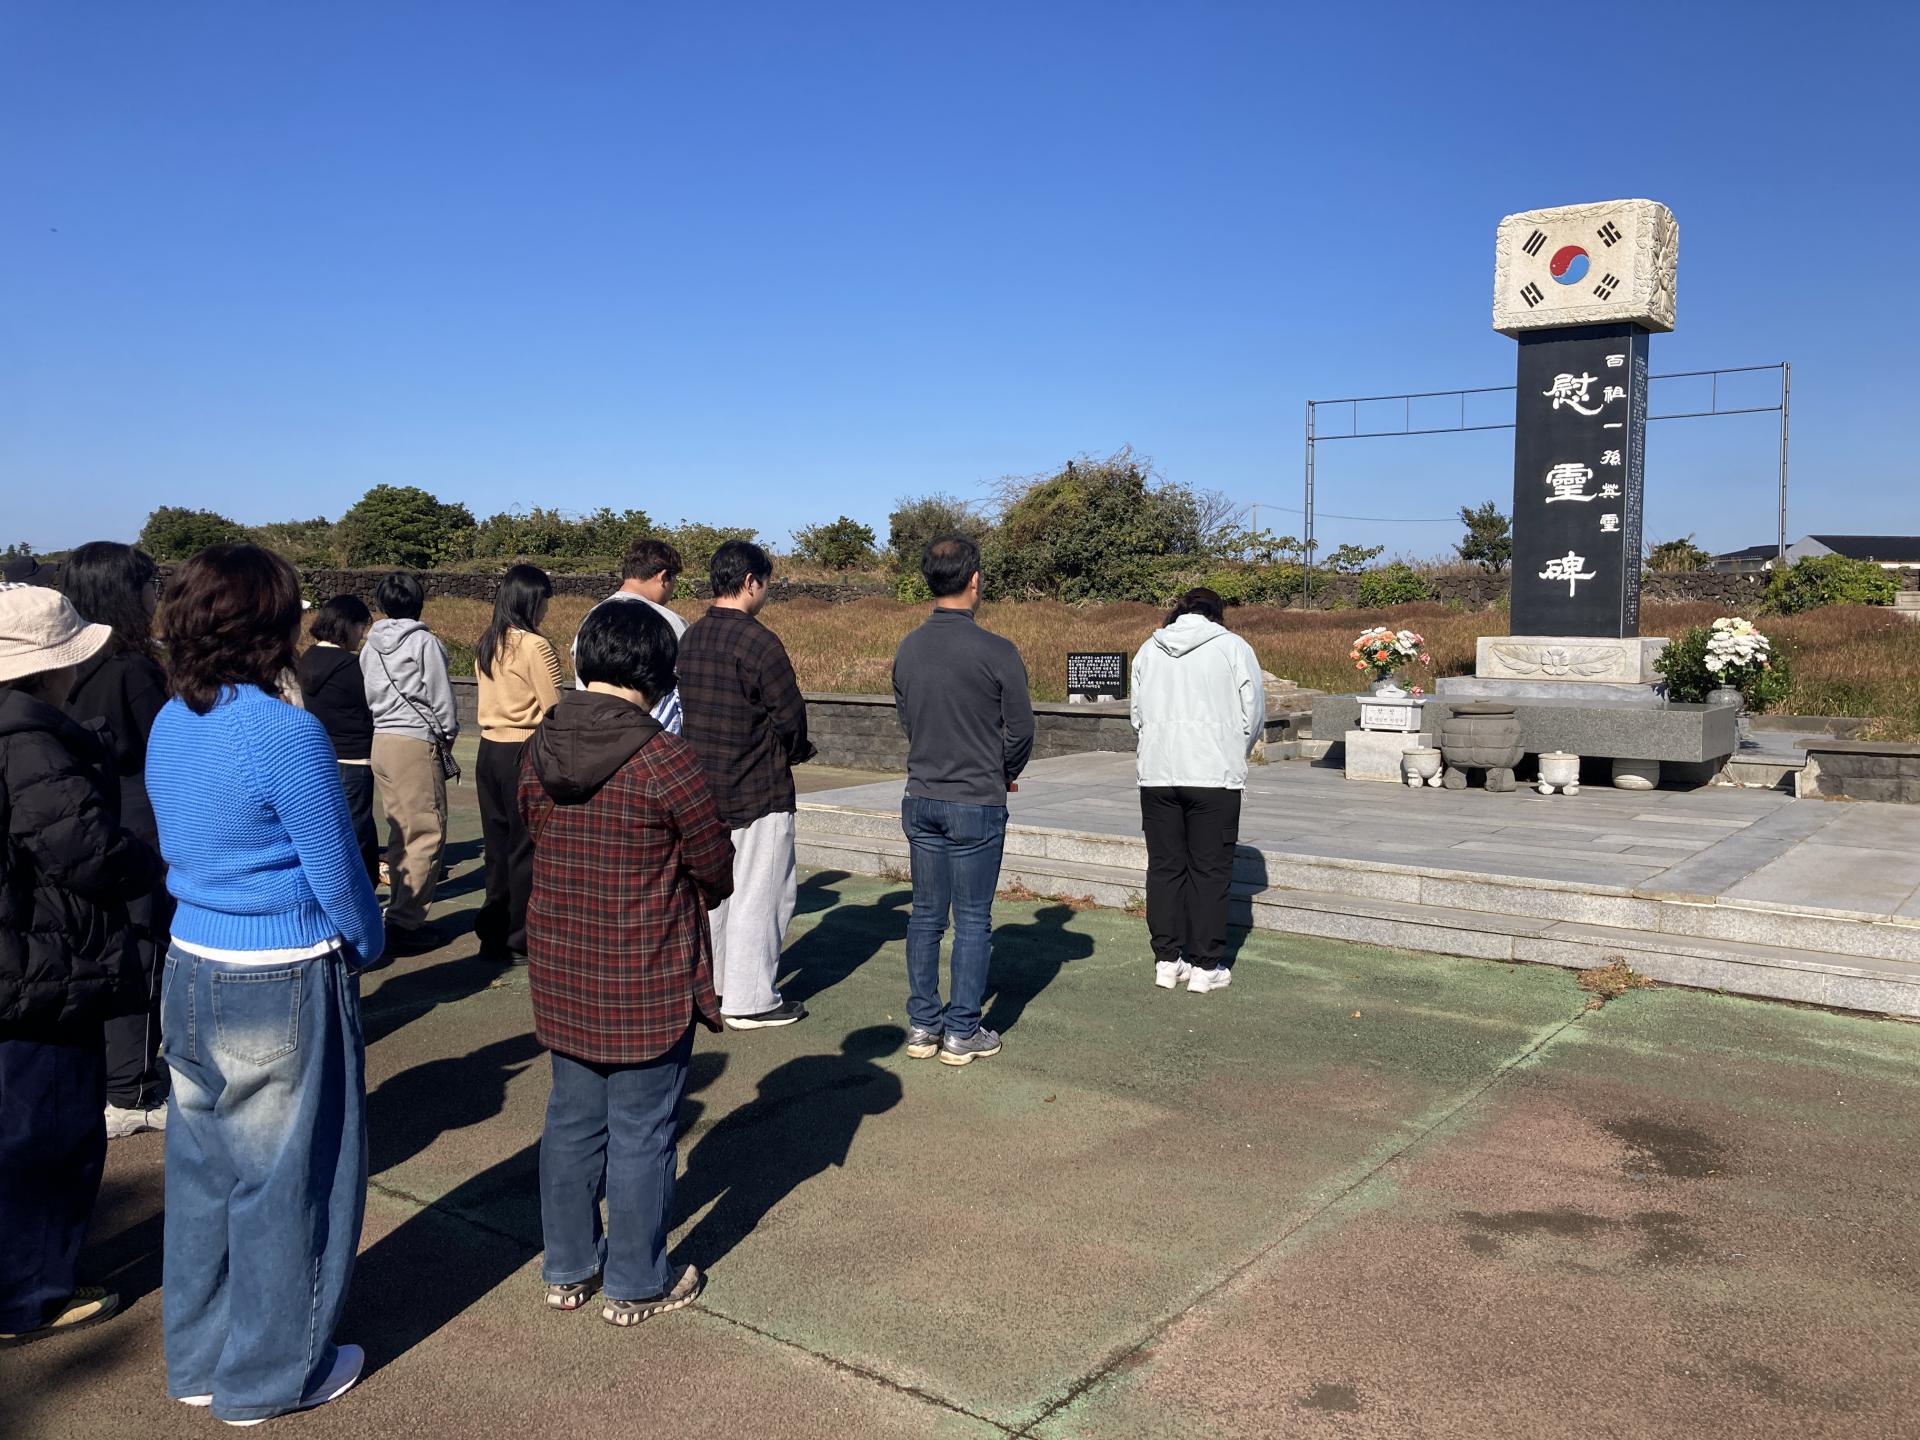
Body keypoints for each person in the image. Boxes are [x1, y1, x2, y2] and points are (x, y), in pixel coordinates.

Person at [145, 544, 383, 1424]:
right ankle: (269, 1376)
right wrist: (369, 942)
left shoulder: (172, 719)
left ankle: (199, 1360)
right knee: (291, 1180)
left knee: (203, 1172)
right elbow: (338, 870)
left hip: (188, 963)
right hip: (279, 971)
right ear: (274, 627)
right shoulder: (285, 733)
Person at [519, 598, 732, 1326]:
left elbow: (532, 828)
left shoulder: (539, 748)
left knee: (572, 1121)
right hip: (645, 969)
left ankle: (569, 1267)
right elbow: (714, 864)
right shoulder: (666, 759)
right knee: (642, 1129)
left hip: (563, 962)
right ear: (660, 673)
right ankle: (637, 1281)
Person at [0, 584, 157, 1345]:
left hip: (20, 953)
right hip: (44, 959)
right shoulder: (28, 737)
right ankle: (28, 1295)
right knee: (49, 1130)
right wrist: (149, 862)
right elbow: (83, 848)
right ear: (49, 668)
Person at [890, 535, 1034, 1066]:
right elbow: (1021, 730)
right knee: (972, 919)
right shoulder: (997, 650)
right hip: (976, 798)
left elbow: (907, 718)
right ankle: (962, 1029)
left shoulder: (908, 648)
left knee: (926, 915)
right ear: (974, 579)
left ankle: (923, 1025)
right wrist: (1002, 771)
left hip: (922, 793)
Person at [677, 540, 815, 1030]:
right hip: (758, 786)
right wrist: (796, 751)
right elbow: (790, 717)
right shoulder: (759, 642)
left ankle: (714, 987)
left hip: (703, 784)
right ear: (751, 582)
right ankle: (751, 999)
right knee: (762, 892)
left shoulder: (691, 637)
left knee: (715, 892)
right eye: (766, 583)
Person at [61, 541, 175, 1137]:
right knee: (141, 952)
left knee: (94, 950)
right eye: (149, 584)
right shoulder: (134, 668)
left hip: (79, 824)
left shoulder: (61, 666)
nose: (156, 594)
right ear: (127, 593)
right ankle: (131, 1090)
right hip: (138, 825)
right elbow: (167, 750)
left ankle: (108, 1077)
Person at [1129, 587, 1265, 994]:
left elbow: (1137, 715)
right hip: (1213, 775)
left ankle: (1167, 961)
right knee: (1210, 871)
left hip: (1158, 774)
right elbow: (1254, 712)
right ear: (1217, 613)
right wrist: (1233, 750)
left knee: (1164, 867)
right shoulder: (1233, 647)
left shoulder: (1148, 649)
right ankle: (1206, 967)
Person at [360, 571, 458, 954]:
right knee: (427, 832)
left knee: (401, 830)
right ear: (418, 601)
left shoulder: (369, 646)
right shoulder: (424, 642)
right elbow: (440, 696)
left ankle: (398, 912)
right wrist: (447, 735)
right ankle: (406, 921)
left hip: (381, 740)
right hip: (414, 740)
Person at [474, 564, 562, 964]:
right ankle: (518, 937)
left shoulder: (488, 641)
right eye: (544, 600)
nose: (546, 608)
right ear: (531, 601)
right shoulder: (534, 646)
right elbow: (554, 708)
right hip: (523, 750)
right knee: (524, 847)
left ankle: (493, 932)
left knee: (496, 847)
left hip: (488, 750)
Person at [296, 595, 380, 886]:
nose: (362, 635)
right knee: (357, 829)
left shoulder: (307, 659)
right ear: (347, 625)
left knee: (331, 827)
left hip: (322, 755)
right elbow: (370, 706)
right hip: (356, 756)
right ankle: (360, 889)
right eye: (361, 627)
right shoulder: (350, 666)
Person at [573, 537, 686, 732]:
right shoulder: (670, 622)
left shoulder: (591, 618)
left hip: (590, 730)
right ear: (663, 577)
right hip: (650, 738)